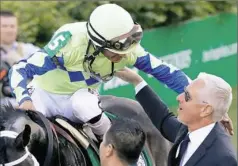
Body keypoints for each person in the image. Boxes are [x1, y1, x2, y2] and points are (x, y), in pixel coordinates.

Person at [9, 3, 191, 138]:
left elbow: (167, 73)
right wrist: (25, 100)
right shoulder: (68, 44)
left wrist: (199, 94)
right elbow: (19, 69)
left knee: (85, 107)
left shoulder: (130, 50)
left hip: (80, 96)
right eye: (116, 52)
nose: (123, 56)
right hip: (44, 96)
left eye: (127, 50)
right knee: (21, 128)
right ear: (97, 44)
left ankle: (116, 150)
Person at [115, 68, 237, 166]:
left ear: (206, 110)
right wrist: (137, 82)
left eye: (187, 96)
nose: (179, 97)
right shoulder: (189, 130)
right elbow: (164, 119)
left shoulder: (223, 159)